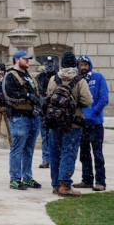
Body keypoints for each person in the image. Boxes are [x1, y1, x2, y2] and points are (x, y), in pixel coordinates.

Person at [44, 51, 92, 196]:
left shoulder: (53, 79)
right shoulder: (80, 80)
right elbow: (87, 101)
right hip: (73, 123)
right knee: (68, 153)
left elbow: (49, 97)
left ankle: (55, 184)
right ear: (74, 64)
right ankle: (65, 184)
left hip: (54, 122)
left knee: (55, 153)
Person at [1, 50, 42, 190]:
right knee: (17, 148)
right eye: (25, 59)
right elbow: (9, 95)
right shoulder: (10, 75)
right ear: (17, 60)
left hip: (33, 116)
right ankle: (15, 178)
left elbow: (37, 94)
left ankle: (27, 177)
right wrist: (27, 96)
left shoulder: (29, 76)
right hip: (19, 117)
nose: (28, 61)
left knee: (29, 149)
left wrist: (37, 104)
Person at [72, 55, 109, 192]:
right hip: (81, 123)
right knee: (84, 153)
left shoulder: (98, 78)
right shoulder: (77, 80)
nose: (83, 67)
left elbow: (104, 98)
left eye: (85, 65)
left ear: (89, 65)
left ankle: (101, 181)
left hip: (95, 123)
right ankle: (86, 179)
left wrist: (93, 112)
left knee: (97, 153)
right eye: (81, 65)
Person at [35, 56, 58, 169]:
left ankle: (54, 158)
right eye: (47, 62)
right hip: (43, 110)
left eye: (51, 62)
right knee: (45, 136)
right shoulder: (40, 77)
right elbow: (38, 92)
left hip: (55, 111)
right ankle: (46, 159)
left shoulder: (58, 77)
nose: (49, 65)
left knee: (55, 136)